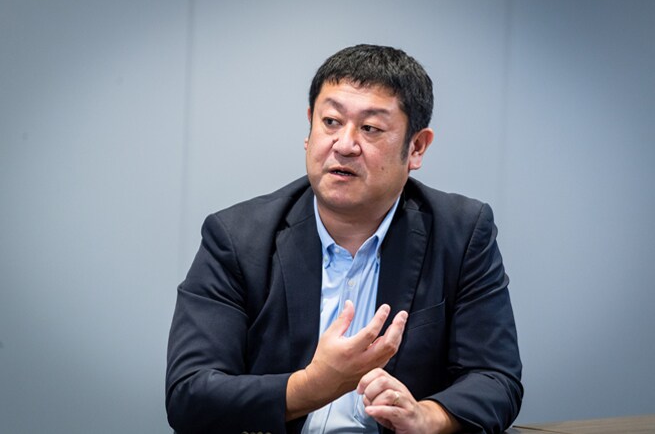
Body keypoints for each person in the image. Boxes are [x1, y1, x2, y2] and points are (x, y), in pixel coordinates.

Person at [166, 44, 522, 434]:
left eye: (370, 129)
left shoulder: (461, 233)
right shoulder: (236, 237)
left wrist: (427, 417)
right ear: (309, 128)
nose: (345, 144)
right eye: (331, 122)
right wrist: (310, 386)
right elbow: (190, 395)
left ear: (416, 147)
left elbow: (495, 379)